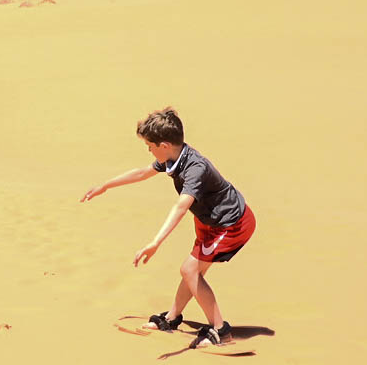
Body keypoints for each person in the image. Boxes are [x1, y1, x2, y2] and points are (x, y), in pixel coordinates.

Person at [81, 107, 256, 347]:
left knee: (190, 270)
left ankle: (220, 330)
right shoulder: (174, 158)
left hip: (231, 224)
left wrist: (155, 242)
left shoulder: (195, 168)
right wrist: (106, 185)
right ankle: (172, 318)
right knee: (192, 270)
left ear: (164, 145)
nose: (149, 151)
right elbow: (143, 172)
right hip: (209, 222)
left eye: (150, 146)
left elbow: (181, 206)